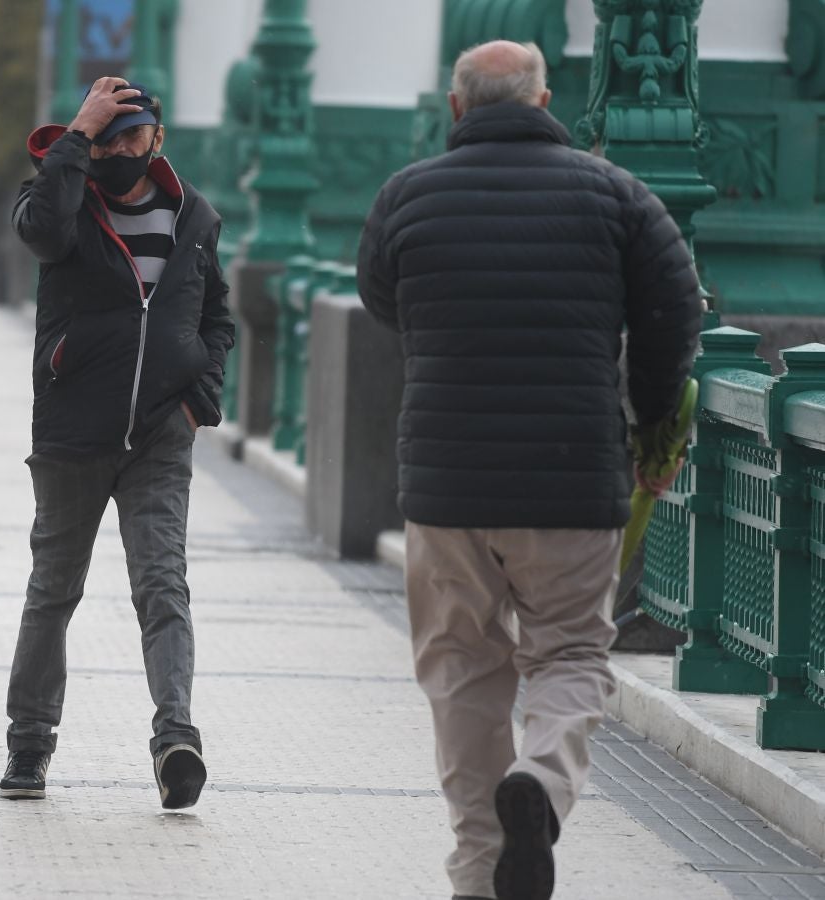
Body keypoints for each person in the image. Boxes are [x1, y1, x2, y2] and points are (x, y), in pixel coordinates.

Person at [356, 42, 701, 900]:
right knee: (572, 655)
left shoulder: (407, 196)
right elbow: (675, 312)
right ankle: (540, 785)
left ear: (457, 105)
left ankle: (479, 870)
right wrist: (656, 416)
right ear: (545, 98)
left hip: (446, 486)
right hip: (571, 480)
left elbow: (381, 298)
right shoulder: (616, 193)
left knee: (463, 673)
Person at [0, 78, 235, 811]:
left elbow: (217, 315)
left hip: (161, 434)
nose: (119, 151)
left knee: (163, 585)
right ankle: (30, 742)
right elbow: (38, 229)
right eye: (107, 139)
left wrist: (201, 399)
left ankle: (176, 739)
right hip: (74, 434)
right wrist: (75, 136)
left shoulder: (195, 216)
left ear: (157, 140)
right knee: (54, 592)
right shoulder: (67, 203)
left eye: (131, 137)